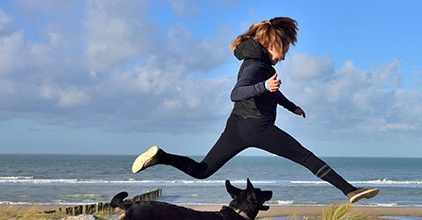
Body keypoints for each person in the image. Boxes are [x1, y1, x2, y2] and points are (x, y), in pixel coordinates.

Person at [131, 17, 379, 204]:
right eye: (282, 51)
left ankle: (161, 156)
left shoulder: (255, 64)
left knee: (202, 171)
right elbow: (236, 93)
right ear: (271, 44)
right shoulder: (257, 68)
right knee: (304, 157)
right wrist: (264, 85)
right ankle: (349, 190)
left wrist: (289, 105)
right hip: (256, 127)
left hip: (236, 127)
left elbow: (268, 92)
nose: (283, 58)